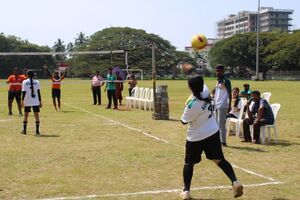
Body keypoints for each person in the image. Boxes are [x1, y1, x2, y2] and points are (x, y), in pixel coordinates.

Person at [180, 75, 243, 199]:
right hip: (213, 132)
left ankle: (186, 191)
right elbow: (200, 85)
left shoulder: (192, 105)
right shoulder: (206, 91)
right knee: (219, 159)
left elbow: (184, 121)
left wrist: (188, 102)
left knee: (189, 163)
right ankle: (235, 182)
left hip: (196, 137)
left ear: (190, 87)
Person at [214, 64, 231, 146]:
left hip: (223, 105)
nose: (218, 72)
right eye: (217, 71)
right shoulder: (217, 80)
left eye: (220, 71)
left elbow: (230, 93)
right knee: (216, 123)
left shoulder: (226, 81)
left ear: (223, 71)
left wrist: (229, 105)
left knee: (221, 124)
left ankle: (223, 142)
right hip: (216, 105)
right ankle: (218, 140)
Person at [21, 70, 42, 135]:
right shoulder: (37, 82)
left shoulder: (24, 82)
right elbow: (38, 92)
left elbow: (24, 92)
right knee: (37, 116)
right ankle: (37, 131)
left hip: (27, 101)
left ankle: (24, 130)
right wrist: (40, 101)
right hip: (35, 101)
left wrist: (22, 101)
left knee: (26, 116)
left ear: (27, 75)